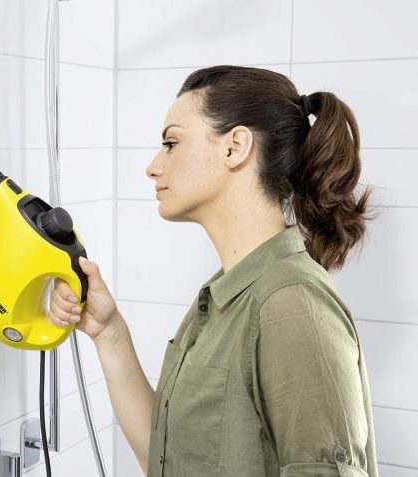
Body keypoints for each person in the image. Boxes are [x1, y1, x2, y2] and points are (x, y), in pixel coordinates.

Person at [48, 65, 379, 476]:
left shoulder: (291, 304)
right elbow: (167, 461)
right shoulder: (224, 296)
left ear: (234, 147)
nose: (153, 166)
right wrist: (108, 332)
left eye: (171, 143)